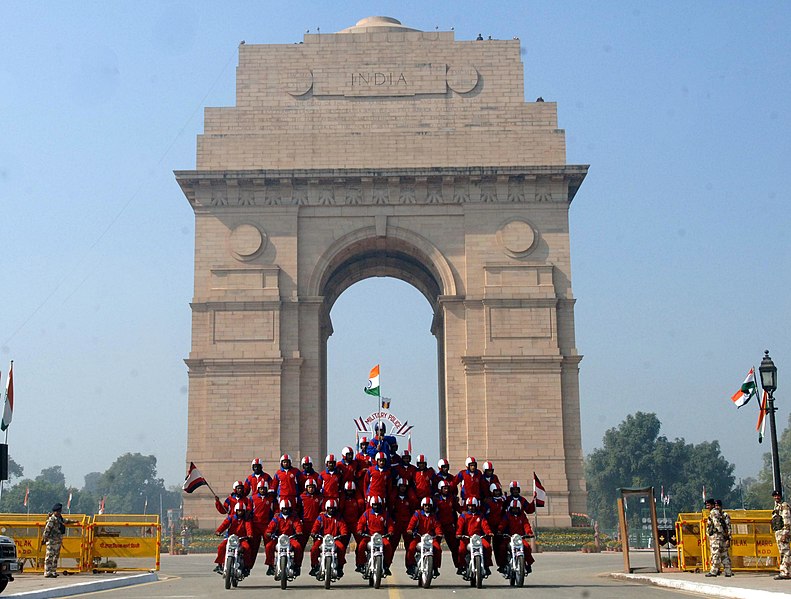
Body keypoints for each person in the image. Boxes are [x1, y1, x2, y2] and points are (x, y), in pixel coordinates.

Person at [355, 495, 395, 575]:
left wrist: (390, 531)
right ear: (371, 505)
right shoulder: (367, 513)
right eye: (374, 505)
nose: (376, 506)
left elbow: (390, 524)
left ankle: (386, 565)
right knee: (361, 546)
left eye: (378, 505)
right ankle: (361, 564)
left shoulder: (385, 514)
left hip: (381, 537)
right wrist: (359, 530)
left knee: (388, 546)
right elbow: (361, 523)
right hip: (369, 536)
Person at [309, 499, 349, 578]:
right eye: (330, 508)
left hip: (334, 539)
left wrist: (343, 533)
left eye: (333, 508)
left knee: (341, 547)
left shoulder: (338, 517)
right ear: (326, 508)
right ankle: (314, 566)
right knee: (314, 549)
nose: (331, 510)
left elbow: (342, 526)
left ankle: (340, 567)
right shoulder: (321, 517)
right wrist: (314, 532)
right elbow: (316, 526)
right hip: (322, 539)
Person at [264, 499, 304, 577]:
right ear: (281, 509)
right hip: (278, 538)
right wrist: (269, 532)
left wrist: (299, 531)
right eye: (284, 509)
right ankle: (270, 565)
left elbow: (297, 525)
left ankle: (297, 565)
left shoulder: (293, 517)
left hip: (290, 538)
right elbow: (271, 526)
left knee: (298, 547)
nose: (286, 510)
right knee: (268, 546)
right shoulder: (277, 517)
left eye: (287, 509)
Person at [405, 497, 443, 578]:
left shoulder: (433, 516)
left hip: (430, 539)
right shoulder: (417, 514)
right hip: (419, 537)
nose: (427, 507)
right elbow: (411, 524)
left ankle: (435, 567)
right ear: (423, 506)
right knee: (411, 548)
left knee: (438, 549)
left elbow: (437, 527)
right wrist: (410, 530)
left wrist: (439, 533)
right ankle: (411, 566)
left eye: (429, 505)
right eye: (425, 505)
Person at [456, 497, 493, 577]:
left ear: (476, 506)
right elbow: (460, 526)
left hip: (478, 538)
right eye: (469, 506)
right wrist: (459, 534)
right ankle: (461, 566)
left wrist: (489, 532)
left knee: (487, 547)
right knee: (461, 550)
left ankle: (486, 565)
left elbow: (485, 525)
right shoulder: (463, 516)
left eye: (473, 506)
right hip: (466, 538)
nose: (471, 507)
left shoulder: (480, 515)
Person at [214, 503, 254, 575]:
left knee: (247, 548)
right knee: (221, 547)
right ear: (236, 510)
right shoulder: (231, 517)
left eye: (241, 511)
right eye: (238, 511)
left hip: (242, 539)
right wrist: (219, 531)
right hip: (231, 539)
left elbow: (249, 528)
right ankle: (220, 564)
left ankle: (246, 567)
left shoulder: (246, 520)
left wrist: (249, 535)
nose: (240, 512)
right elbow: (224, 524)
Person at [498, 499, 535, 574]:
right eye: (513, 509)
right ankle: (503, 565)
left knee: (527, 547)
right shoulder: (507, 515)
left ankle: (528, 564)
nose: (515, 510)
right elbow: (503, 523)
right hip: (509, 538)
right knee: (502, 548)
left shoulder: (522, 516)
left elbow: (526, 525)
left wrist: (529, 532)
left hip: (519, 538)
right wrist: (499, 530)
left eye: (516, 509)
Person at [42, 503, 75, 578]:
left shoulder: (59, 518)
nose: (59, 513)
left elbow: (65, 521)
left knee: (55, 556)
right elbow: (47, 529)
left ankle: (53, 571)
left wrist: (74, 521)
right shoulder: (52, 519)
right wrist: (44, 538)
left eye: (60, 511)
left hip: (57, 540)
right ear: (54, 511)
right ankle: (47, 571)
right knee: (49, 556)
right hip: (52, 540)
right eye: (58, 511)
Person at [434, 480, 461, 569]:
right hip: (439, 526)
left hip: (449, 525)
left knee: (455, 547)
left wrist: (465, 511)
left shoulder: (451, 498)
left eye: (447, 488)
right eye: (444, 488)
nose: (446, 490)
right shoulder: (436, 499)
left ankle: (459, 566)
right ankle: (434, 567)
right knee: (435, 547)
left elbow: (458, 508)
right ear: (440, 489)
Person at [249, 482, 274, 568]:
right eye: (261, 489)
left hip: (266, 526)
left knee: (269, 546)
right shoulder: (253, 498)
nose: (262, 490)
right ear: (258, 489)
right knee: (254, 547)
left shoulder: (270, 499)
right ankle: (248, 566)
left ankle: (270, 565)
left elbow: (275, 511)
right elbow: (249, 510)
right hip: (255, 526)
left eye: (264, 489)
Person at [705, 499, 732, 577]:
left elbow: (717, 524)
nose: (707, 507)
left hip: (716, 537)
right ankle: (728, 571)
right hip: (721, 537)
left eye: (708, 505)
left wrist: (720, 534)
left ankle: (714, 571)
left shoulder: (713, 512)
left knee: (715, 553)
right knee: (724, 554)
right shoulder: (719, 513)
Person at [772, 490, 791, 580]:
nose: (776, 497)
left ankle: (785, 572)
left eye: (778, 496)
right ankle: (785, 571)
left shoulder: (784, 506)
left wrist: (785, 534)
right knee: (782, 552)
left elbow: (787, 521)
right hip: (778, 532)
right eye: (775, 496)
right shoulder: (777, 507)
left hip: (783, 532)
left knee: (785, 552)